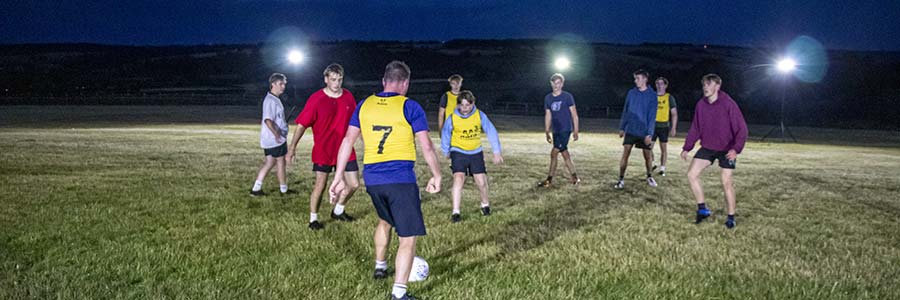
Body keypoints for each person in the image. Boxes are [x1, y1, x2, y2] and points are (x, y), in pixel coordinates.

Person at [329, 61, 441, 300]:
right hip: (400, 178)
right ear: (406, 83)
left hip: (373, 178)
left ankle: (380, 266)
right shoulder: (410, 106)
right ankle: (399, 294)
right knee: (407, 237)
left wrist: (338, 177)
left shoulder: (364, 104)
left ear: (384, 81)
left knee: (384, 220)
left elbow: (347, 141)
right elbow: (427, 145)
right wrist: (437, 174)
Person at [285, 63, 359, 230]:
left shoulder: (348, 97)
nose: (337, 83)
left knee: (354, 184)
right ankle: (313, 219)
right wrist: (292, 148)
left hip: (345, 150)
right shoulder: (316, 99)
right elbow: (302, 125)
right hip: (323, 151)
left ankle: (338, 211)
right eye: (333, 79)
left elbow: (356, 123)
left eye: (340, 80)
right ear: (326, 79)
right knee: (321, 185)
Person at [681, 74, 748, 229]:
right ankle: (702, 209)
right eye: (704, 84)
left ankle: (731, 217)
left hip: (727, 148)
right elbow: (695, 128)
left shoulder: (729, 104)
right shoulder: (701, 105)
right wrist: (687, 147)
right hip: (708, 147)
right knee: (691, 174)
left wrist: (736, 149)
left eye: (709, 84)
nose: (705, 87)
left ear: (717, 86)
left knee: (726, 181)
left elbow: (742, 129)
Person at [440, 90, 503, 223]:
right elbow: (446, 134)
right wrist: (446, 151)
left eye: (467, 105)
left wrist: (496, 151)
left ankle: (485, 205)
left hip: (475, 152)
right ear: (457, 105)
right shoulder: (452, 118)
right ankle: (456, 212)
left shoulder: (479, 115)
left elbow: (491, 131)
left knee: (481, 181)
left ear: (473, 104)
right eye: (461, 105)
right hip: (458, 151)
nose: (464, 108)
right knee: (458, 178)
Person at [615, 69, 658, 189]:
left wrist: (649, 134)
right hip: (631, 130)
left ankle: (649, 176)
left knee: (647, 156)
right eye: (635, 79)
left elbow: (652, 116)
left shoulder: (652, 95)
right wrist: (622, 127)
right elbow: (626, 110)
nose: (635, 81)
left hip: (644, 132)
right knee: (625, 154)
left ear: (645, 79)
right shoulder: (631, 93)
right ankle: (621, 179)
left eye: (638, 78)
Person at [250, 73, 290, 196]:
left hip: (272, 139)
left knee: (270, 162)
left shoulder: (274, 99)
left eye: (284, 84)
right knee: (281, 162)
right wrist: (277, 134)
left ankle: (256, 188)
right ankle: (284, 190)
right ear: (273, 84)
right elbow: (268, 120)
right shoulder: (270, 100)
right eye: (281, 84)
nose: (283, 86)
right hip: (275, 140)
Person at [537, 73, 580, 187]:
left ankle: (549, 180)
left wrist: (576, 130)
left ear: (562, 84)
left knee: (554, 152)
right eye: (554, 83)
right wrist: (547, 131)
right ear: (551, 83)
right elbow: (548, 115)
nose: (556, 85)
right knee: (565, 153)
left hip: (565, 129)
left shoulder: (567, 97)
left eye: (559, 83)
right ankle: (575, 177)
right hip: (556, 130)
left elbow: (574, 115)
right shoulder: (548, 98)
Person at [649, 77, 678, 176]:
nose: (659, 86)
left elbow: (674, 113)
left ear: (665, 85)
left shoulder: (669, 97)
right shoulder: (652, 96)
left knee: (663, 149)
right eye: (657, 83)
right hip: (652, 126)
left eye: (661, 84)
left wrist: (673, 127)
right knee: (648, 147)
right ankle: (652, 164)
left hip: (663, 127)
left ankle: (662, 168)